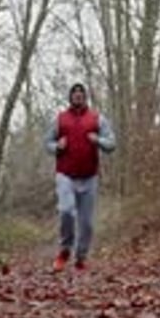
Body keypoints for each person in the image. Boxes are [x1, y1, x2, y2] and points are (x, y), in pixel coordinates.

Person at [44, 83, 116, 271]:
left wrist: (98, 140)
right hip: (65, 174)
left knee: (87, 222)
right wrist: (56, 146)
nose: (78, 96)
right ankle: (65, 250)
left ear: (85, 97)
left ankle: (81, 257)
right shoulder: (60, 119)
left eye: (81, 94)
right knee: (66, 210)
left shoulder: (97, 119)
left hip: (89, 176)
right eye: (74, 94)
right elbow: (47, 142)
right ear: (70, 98)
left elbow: (111, 143)